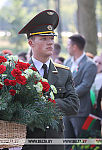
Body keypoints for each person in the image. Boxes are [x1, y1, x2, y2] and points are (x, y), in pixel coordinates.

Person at [18, 10, 79, 150]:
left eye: (51, 38)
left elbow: (74, 106)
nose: (50, 43)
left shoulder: (64, 72)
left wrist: (45, 104)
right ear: (31, 43)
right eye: (43, 39)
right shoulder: (19, 73)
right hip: (28, 143)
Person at [63, 34, 97, 150]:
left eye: (68, 45)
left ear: (75, 47)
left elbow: (85, 86)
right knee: (67, 143)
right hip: (66, 110)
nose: (66, 47)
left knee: (81, 142)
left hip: (80, 110)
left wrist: (67, 95)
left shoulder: (90, 64)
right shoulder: (67, 62)